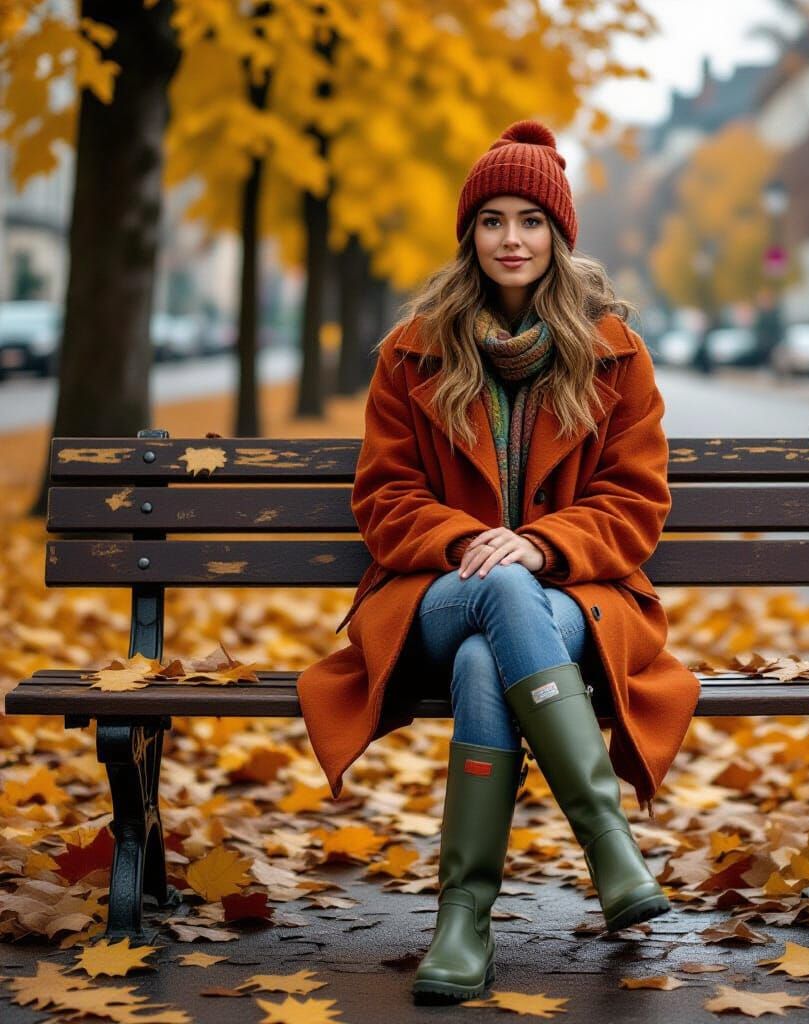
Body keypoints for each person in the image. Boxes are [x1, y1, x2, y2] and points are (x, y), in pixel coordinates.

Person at [294, 119, 701, 1006]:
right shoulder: (412, 350)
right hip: (432, 596)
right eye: (492, 220)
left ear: (559, 235)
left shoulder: (614, 355)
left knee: (494, 649)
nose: (511, 239)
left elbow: (638, 504)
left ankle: (463, 920)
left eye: (529, 220)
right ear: (468, 234)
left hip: (573, 605)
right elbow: (385, 497)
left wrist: (544, 543)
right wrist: (465, 540)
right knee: (490, 602)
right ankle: (607, 844)